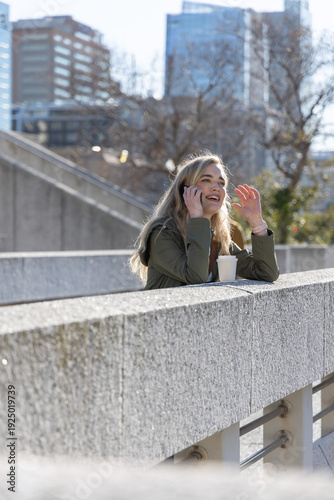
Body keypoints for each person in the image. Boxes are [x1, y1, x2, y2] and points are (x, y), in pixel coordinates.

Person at [130, 153, 279, 289]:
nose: (216, 188)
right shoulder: (163, 232)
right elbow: (195, 277)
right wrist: (197, 218)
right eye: (206, 180)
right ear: (185, 189)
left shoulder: (218, 238)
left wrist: (257, 223)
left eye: (221, 183)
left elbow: (267, 273)